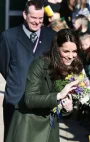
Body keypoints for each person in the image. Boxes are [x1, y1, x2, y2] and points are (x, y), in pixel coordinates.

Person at [6, 29, 82, 142]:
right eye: (66, 51)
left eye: (74, 51)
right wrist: (59, 95)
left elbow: (61, 105)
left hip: (51, 127)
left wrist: (68, 108)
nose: (71, 56)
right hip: (29, 124)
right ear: (56, 49)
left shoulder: (74, 68)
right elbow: (30, 99)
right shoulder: (39, 64)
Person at [0, 0, 56, 140]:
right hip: (16, 100)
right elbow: (4, 66)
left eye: (40, 18)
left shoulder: (51, 37)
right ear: (25, 15)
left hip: (42, 99)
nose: (37, 22)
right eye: (33, 18)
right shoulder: (9, 37)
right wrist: (18, 81)